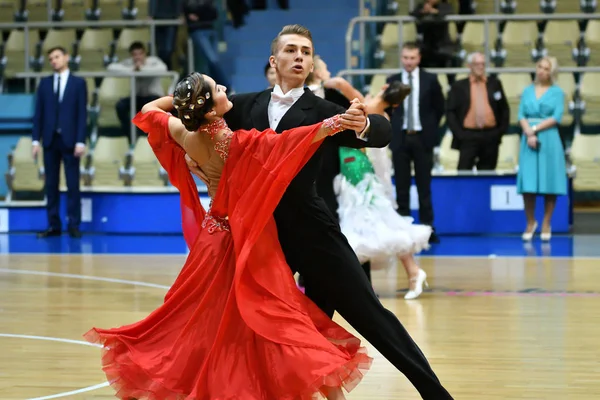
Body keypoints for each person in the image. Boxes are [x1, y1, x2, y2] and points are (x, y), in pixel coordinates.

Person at [186, 25, 454, 399]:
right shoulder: (243, 106)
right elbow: (198, 125)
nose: (299, 57)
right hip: (259, 238)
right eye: (291, 50)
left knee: (371, 317)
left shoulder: (325, 110)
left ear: (312, 63)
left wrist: (363, 124)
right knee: (254, 327)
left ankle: (436, 394)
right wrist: (191, 157)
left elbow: (379, 130)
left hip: (312, 232)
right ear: (273, 60)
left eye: (306, 52)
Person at [85, 72, 372, 400]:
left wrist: (182, 102)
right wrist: (335, 122)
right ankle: (315, 388)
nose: (225, 89)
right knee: (279, 316)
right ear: (210, 110)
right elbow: (287, 141)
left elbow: (151, 109)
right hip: (244, 243)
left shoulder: (183, 132)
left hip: (211, 241)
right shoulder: (234, 143)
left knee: (200, 321)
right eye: (218, 89)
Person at [335, 82, 432, 300]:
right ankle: (411, 273)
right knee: (374, 222)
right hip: (354, 164)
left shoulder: (370, 106)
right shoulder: (376, 107)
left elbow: (341, 84)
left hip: (356, 166)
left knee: (373, 221)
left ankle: (413, 272)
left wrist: (322, 78)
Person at [387, 41, 444, 244]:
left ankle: (428, 228)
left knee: (424, 186)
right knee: (401, 186)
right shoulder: (392, 80)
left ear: (419, 58)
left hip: (422, 138)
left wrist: (428, 128)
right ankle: (403, 229)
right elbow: (388, 109)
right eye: (405, 58)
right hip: (400, 138)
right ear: (401, 58)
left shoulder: (430, 79)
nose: (408, 62)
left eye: (412, 58)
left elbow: (439, 108)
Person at [32, 46, 88, 239]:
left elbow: (82, 114)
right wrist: (34, 140)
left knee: (73, 185)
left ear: (66, 57)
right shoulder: (44, 84)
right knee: (51, 186)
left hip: (71, 141)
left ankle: (74, 224)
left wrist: (81, 140)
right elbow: (38, 114)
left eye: (57, 57)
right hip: (49, 140)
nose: (54, 61)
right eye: (51, 59)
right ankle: (53, 225)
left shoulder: (78, 83)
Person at [517, 56, 566, 242]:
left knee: (549, 182)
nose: (542, 71)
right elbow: (521, 114)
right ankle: (530, 222)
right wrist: (528, 132)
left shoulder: (557, 92)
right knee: (528, 184)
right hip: (528, 138)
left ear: (552, 72)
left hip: (549, 139)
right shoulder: (527, 91)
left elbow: (557, 116)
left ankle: (546, 222)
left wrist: (535, 129)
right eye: (539, 67)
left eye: (546, 68)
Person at [446, 52, 510, 171]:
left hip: (491, 135)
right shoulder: (458, 86)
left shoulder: (495, 84)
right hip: (468, 136)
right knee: (464, 173)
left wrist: (499, 132)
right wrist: (460, 134)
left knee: (488, 173)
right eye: (477, 64)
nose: (481, 67)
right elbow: (450, 112)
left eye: (483, 64)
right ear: (469, 66)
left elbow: (504, 109)